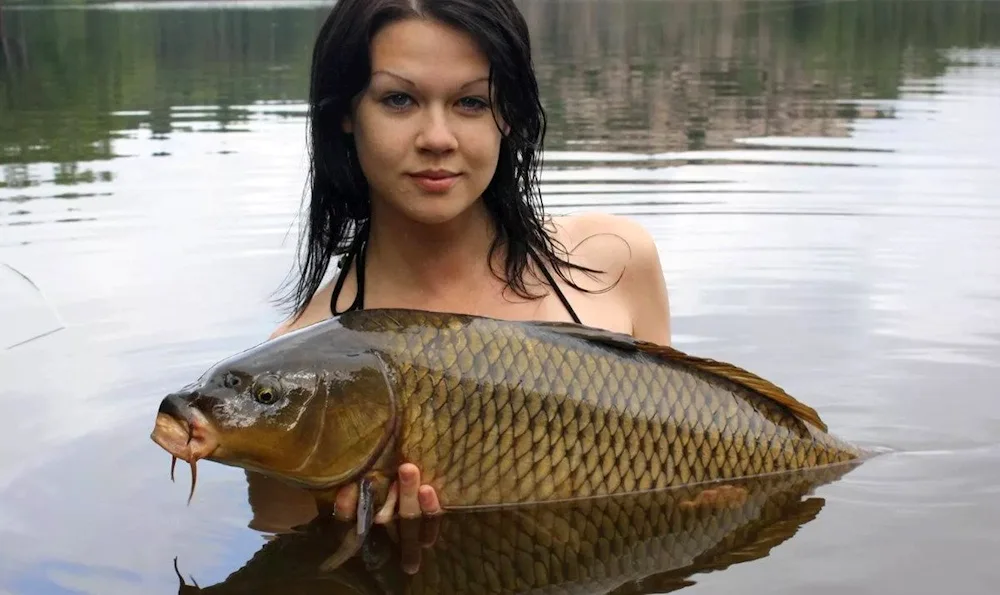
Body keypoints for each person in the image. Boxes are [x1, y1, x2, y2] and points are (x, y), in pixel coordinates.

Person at [266, 0, 671, 531]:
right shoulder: (291, 378)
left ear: (508, 115)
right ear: (345, 113)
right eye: (399, 99)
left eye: (471, 102)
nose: (437, 137)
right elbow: (290, 566)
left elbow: (683, 451)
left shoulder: (614, 262)